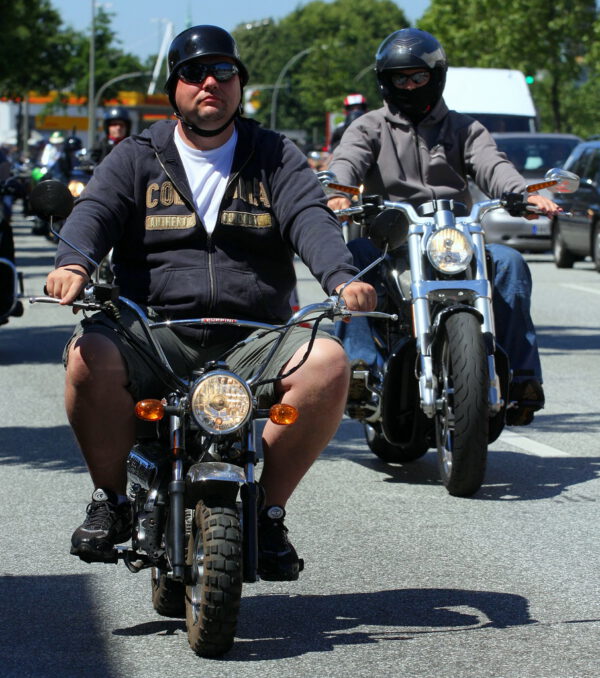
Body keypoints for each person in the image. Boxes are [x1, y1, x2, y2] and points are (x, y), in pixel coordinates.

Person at [45, 25, 376, 581]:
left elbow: (310, 219)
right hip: (152, 330)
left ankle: (267, 511)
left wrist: (342, 278)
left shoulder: (274, 155)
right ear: (174, 88)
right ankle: (111, 500)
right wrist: (73, 262)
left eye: (224, 72)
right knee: (86, 357)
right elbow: (94, 211)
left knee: (330, 364)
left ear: (240, 85)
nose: (210, 83)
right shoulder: (136, 154)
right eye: (195, 73)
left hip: (254, 334)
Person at [327, 28, 559, 426]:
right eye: (401, 77)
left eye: (418, 76)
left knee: (509, 263)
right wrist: (339, 192)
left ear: (436, 76)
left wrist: (522, 192)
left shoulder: (464, 128)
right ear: (387, 80)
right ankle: (362, 370)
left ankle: (522, 378)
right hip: (391, 243)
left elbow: (493, 164)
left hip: (455, 240)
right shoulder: (369, 126)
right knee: (355, 259)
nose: (410, 85)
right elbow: (347, 160)